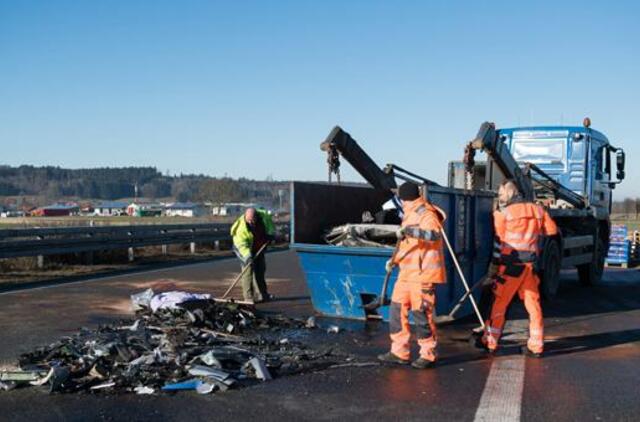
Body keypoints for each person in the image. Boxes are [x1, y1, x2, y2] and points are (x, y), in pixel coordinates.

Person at [478, 180, 558, 357]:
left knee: (499, 304)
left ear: (510, 193)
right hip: (530, 266)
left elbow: (499, 243)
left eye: (501, 193)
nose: (500, 197)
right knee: (533, 305)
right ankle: (536, 346)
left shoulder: (502, 214)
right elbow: (551, 231)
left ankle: (490, 342)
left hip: (510, 267)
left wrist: (494, 266)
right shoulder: (538, 210)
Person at [377, 182, 447, 369]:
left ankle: (428, 353)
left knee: (421, 315)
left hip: (423, 275)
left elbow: (434, 235)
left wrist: (408, 231)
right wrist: (394, 261)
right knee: (396, 311)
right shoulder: (409, 213)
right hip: (406, 275)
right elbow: (408, 245)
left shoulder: (426, 213)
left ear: (403, 197)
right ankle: (399, 352)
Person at [230, 207, 276, 303]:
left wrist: (270, 235)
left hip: (258, 247)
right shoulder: (241, 229)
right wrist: (248, 257)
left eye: (252, 220)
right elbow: (241, 245)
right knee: (248, 271)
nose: (251, 222)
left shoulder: (264, 217)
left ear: (256, 217)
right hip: (243, 249)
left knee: (260, 270)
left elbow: (270, 226)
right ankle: (248, 297)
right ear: (245, 217)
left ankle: (262, 295)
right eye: (249, 220)